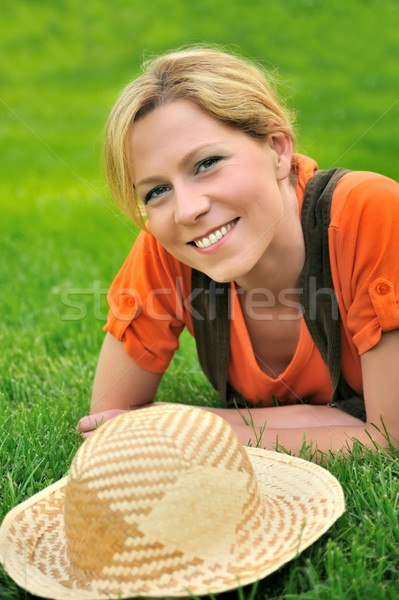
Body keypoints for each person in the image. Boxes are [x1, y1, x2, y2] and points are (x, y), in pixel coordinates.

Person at [78, 45, 399, 455]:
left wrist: (191, 426)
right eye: (157, 190)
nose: (188, 210)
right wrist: (333, 422)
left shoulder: (369, 212)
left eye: (207, 163)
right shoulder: (169, 245)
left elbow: (388, 436)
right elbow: (108, 426)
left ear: (278, 149)